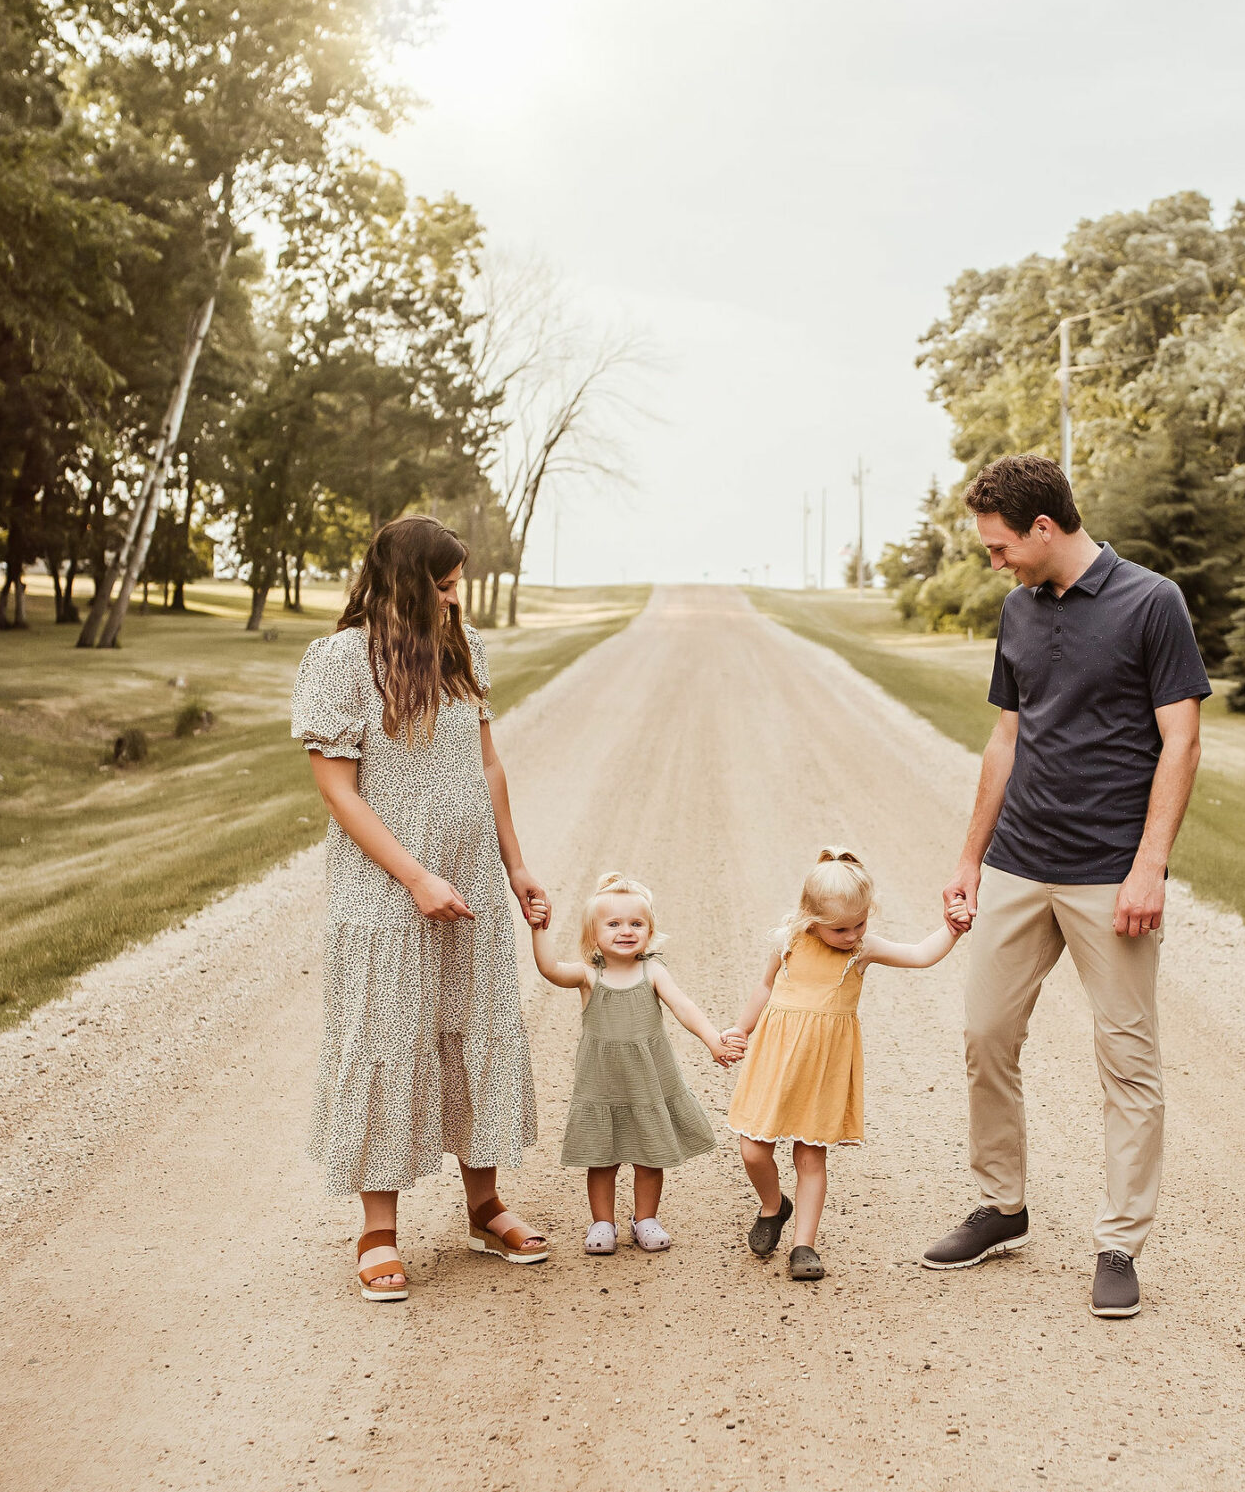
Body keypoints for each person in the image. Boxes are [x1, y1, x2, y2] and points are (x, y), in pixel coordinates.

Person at [923, 453, 1208, 1318]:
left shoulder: (1151, 602)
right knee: (984, 1034)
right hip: (1018, 863)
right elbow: (1006, 741)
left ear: (1044, 528)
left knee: (1126, 1061)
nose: (995, 561)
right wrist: (970, 859)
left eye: (1001, 546)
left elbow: (1182, 742)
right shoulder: (1018, 608)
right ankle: (1001, 1206)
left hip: (1108, 874)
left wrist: (1149, 864)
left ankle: (1118, 1243)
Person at [291, 513, 549, 1301]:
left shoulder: (461, 651)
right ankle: (377, 1230)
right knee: (387, 1039)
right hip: (387, 890)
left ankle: (484, 1206)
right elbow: (337, 789)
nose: (456, 598)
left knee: (476, 1029)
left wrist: (515, 866)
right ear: (408, 585)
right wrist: (414, 879)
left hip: (467, 880)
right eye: (444, 585)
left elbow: (489, 765)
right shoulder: (340, 661)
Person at [727, 846, 964, 1282]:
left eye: (860, 923)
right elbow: (764, 987)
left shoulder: (863, 950)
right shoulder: (789, 941)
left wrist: (950, 930)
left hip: (821, 1070)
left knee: (810, 1158)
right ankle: (773, 1206)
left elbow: (919, 954)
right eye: (839, 928)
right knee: (753, 1150)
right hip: (775, 1061)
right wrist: (742, 1029)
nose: (852, 934)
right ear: (809, 918)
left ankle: (804, 1245)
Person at [530, 871, 741, 1254]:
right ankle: (602, 1223)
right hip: (603, 1084)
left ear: (649, 931)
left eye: (636, 924)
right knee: (602, 1157)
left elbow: (683, 1007)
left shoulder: (653, 971)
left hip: (647, 1082)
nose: (626, 931)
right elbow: (550, 970)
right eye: (613, 924)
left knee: (649, 1154)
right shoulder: (589, 975)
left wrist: (713, 1041)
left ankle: (645, 1218)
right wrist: (538, 930)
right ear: (594, 934)